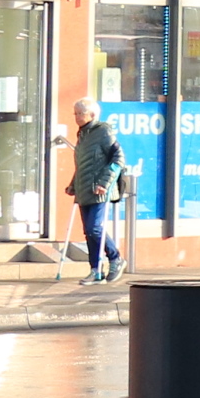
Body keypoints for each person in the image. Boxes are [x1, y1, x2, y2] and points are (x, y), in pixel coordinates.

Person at [67, 98, 123, 284]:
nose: (76, 117)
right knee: (88, 232)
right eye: (75, 113)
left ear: (92, 115)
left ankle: (115, 258)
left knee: (95, 228)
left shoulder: (103, 131)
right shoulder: (82, 134)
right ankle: (96, 270)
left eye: (80, 113)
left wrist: (104, 183)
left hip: (100, 190)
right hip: (84, 189)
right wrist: (73, 184)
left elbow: (118, 159)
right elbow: (83, 165)